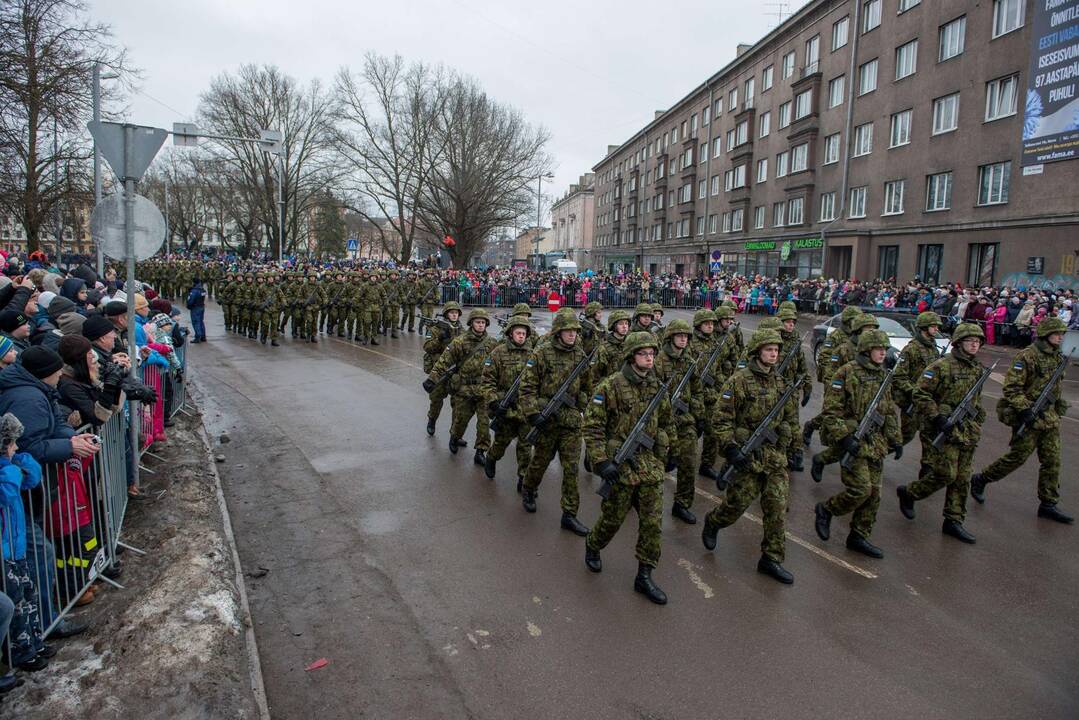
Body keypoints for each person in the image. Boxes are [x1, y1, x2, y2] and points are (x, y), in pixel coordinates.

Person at [584, 331, 675, 604]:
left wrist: (671, 450)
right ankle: (593, 544)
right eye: (644, 354)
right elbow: (592, 426)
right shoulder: (610, 386)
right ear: (631, 356)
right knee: (612, 520)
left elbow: (668, 422)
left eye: (652, 354)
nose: (649, 359)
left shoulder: (657, 387)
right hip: (621, 465)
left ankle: (644, 575)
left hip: (649, 466)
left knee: (652, 524)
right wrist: (601, 461)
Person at [701, 328, 797, 584]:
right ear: (757, 352)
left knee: (776, 509)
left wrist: (793, 445)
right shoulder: (738, 381)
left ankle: (771, 558)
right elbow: (721, 419)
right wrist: (731, 448)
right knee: (735, 506)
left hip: (774, 458)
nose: (774, 354)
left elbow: (790, 418)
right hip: (749, 457)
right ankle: (713, 521)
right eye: (769, 349)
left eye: (776, 350)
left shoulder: (781, 382)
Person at [971, 317, 1072, 523]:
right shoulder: (1026, 356)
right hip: (1029, 417)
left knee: (1052, 461)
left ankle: (1048, 503)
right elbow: (1011, 387)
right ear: (1045, 334)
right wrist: (1025, 409)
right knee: (1017, 457)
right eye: (1057, 333)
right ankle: (982, 479)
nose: (1060, 337)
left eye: (1062, 334)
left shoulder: (1057, 357)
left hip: (1049, 418)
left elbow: (1056, 387)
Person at [897, 323, 988, 544]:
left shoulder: (977, 368)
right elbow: (921, 395)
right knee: (946, 474)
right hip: (941, 428)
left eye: (977, 342)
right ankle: (910, 493)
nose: (974, 345)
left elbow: (975, 399)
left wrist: (978, 417)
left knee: (963, 477)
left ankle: (953, 520)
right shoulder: (940, 366)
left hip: (966, 429)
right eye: (970, 341)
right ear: (959, 343)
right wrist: (937, 417)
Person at [813, 329, 901, 558]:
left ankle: (859, 536)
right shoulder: (846, 373)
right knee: (860, 490)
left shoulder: (882, 375)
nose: (883, 353)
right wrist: (844, 437)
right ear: (866, 350)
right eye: (878, 349)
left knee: (875, 495)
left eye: (885, 349)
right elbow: (831, 411)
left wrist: (896, 438)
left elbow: (889, 410)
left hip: (876, 443)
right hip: (854, 440)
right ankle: (827, 509)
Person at [518, 311, 592, 535]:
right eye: (568, 331)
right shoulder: (541, 353)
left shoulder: (580, 355)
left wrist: (581, 403)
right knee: (540, 461)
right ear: (559, 332)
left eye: (575, 331)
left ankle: (569, 514)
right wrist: (533, 414)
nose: (572, 335)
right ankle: (529, 489)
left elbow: (588, 386)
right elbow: (527, 387)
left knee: (571, 469)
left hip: (570, 423)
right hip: (547, 421)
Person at [0, 413, 52, 672]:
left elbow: (32, 477)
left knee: (28, 595)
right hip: (4, 553)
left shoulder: (11, 467)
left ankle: (34, 641)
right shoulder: (5, 474)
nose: (16, 447)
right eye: (12, 445)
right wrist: (9, 465)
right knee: (16, 603)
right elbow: (7, 493)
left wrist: (19, 460)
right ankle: (20, 651)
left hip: (17, 549)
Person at [425, 308, 497, 459]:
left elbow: (499, 365)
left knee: (484, 423)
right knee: (460, 420)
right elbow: (444, 361)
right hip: (464, 388)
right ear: (472, 323)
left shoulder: (492, 343)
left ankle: (480, 452)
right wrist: (432, 378)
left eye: (483, 322)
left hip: (483, 389)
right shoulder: (460, 341)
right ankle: (454, 436)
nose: (480, 325)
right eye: (478, 322)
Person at [653, 319, 702, 523]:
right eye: (679, 335)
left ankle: (682, 504)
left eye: (686, 336)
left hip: (684, 422)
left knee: (689, 465)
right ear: (670, 337)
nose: (683, 339)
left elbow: (697, 391)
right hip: (662, 424)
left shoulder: (690, 362)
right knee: (655, 469)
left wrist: (698, 417)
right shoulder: (658, 361)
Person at [480, 315, 534, 492]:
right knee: (501, 443)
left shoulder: (533, 354)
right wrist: (493, 401)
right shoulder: (498, 352)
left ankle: (523, 480)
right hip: (506, 407)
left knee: (525, 447)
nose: (521, 336)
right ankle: (491, 458)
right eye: (518, 333)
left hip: (525, 408)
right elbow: (487, 380)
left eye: (524, 333)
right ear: (511, 333)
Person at [893, 312, 943, 482]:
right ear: (923, 327)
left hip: (928, 402)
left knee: (929, 436)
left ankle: (927, 471)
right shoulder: (911, 349)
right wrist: (914, 391)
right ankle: (873, 454)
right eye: (933, 326)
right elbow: (899, 376)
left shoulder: (933, 347)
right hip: (913, 401)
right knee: (906, 435)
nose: (936, 328)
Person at [422, 302, 463, 436]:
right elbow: (427, 347)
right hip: (440, 370)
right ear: (446, 314)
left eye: (456, 313)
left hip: (456, 372)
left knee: (458, 404)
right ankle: (432, 420)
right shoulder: (436, 329)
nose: (454, 315)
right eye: (451, 312)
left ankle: (455, 434)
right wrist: (439, 338)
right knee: (436, 400)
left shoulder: (462, 331)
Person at [186, 276, 207, 343]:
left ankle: (198, 337)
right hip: (201, 307)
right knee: (201, 322)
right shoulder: (202, 289)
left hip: (195, 308)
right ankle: (203, 336)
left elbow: (191, 300)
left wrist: (189, 305)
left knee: (196, 322)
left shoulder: (194, 290)